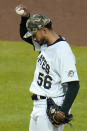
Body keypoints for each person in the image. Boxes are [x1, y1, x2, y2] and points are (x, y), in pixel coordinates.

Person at [15, 5, 80, 131]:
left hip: (51, 107)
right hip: (38, 106)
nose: (33, 38)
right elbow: (24, 35)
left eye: (34, 34)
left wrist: (63, 111)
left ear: (44, 30)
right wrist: (25, 18)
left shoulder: (63, 51)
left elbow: (73, 84)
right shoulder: (44, 44)